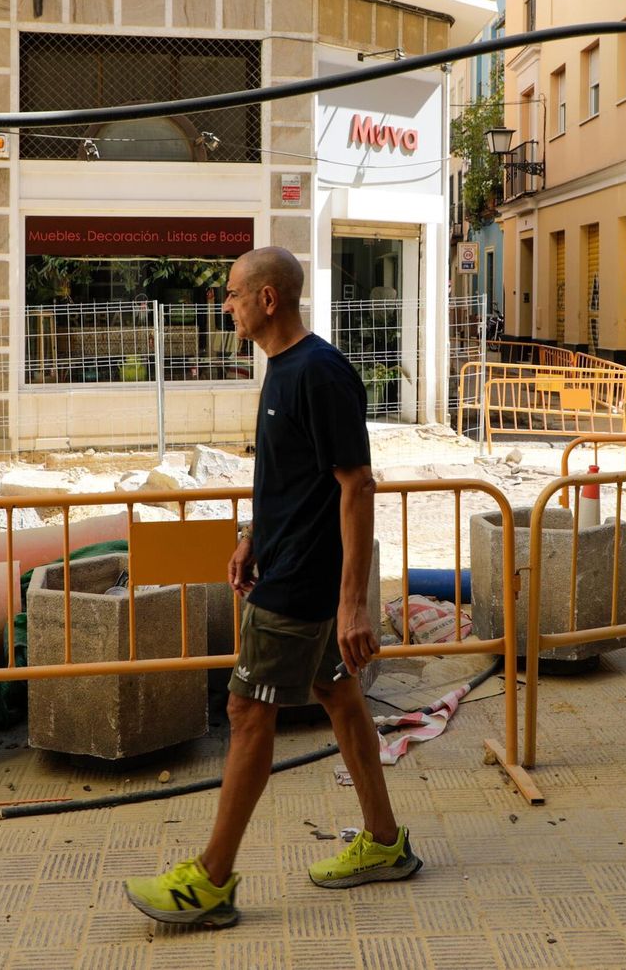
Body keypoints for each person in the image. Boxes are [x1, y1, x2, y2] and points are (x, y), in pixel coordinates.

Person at [124, 246, 420, 928]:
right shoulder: (283, 371)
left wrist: (351, 601)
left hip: (300, 588)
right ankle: (383, 842)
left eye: (231, 294)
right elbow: (293, 477)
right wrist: (254, 534)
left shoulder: (319, 373)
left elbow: (357, 484)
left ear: (267, 300)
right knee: (340, 698)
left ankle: (210, 880)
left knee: (247, 715)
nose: (224, 305)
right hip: (285, 565)